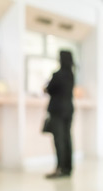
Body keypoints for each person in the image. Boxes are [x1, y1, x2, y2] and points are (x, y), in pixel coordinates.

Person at [45, 50, 75, 179]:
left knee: (59, 140)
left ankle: (60, 168)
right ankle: (67, 168)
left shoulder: (58, 75)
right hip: (69, 110)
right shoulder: (71, 74)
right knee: (67, 139)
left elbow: (49, 89)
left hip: (58, 111)